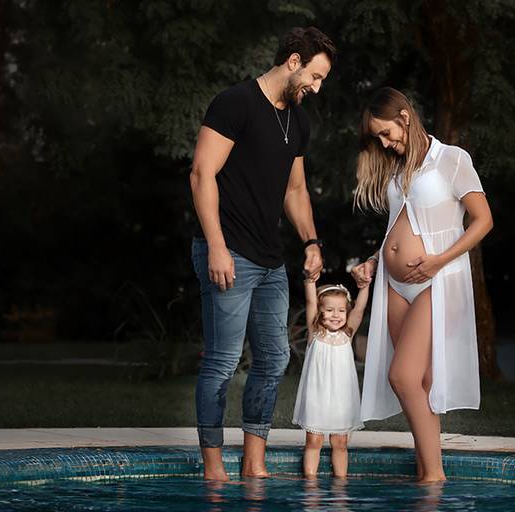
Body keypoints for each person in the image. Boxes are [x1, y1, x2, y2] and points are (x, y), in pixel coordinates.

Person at [189, 27, 337, 481]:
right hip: (228, 249)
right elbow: (201, 174)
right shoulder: (235, 103)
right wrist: (216, 246)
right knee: (223, 360)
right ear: (293, 61)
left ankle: (254, 461)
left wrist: (311, 240)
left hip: (270, 259)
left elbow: (295, 189)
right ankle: (213, 464)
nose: (316, 87)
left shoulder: (298, 119)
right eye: (314, 76)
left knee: (274, 359)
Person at [350, 87, 493, 482]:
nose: (384, 143)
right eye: (377, 138)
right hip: (396, 286)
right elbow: (400, 224)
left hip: (438, 281)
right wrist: (376, 261)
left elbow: (483, 221)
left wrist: (437, 262)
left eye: (386, 133)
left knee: (403, 376)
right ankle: (427, 474)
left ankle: (433, 476)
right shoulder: (398, 170)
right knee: (421, 383)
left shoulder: (452, 159)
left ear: (405, 118)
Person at [292, 281, 368, 478]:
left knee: (340, 443)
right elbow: (310, 300)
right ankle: (310, 484)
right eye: (330, 310)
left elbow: (359, 309)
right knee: (314, 441)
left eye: (341, 310)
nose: (336, 315)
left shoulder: (347, 335)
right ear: (319, 311)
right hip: (317, 397)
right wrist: (309, 280)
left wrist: (365, 286)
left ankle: (340, 486)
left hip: (341, 400)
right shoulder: (315, 334)